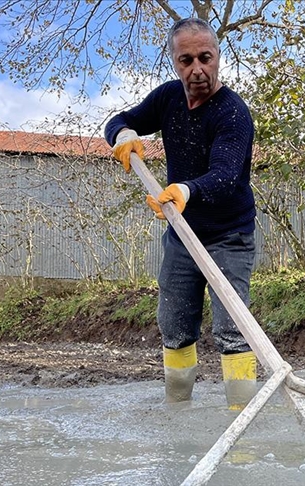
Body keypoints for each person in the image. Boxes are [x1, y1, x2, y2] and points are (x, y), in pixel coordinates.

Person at [105, 17, 257, 410]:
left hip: (229, 238)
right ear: (174, 61)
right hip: (182, 238)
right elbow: (120, 120)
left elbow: (224, 177)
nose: (197, 70)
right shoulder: (169, 98)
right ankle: (177, 418)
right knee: (173, 327)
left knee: (233, 331)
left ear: (218, 57)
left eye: (205, 57)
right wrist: (123, 136)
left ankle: (241, 430)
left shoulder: (233, 114)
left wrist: (185, 190)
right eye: (186, 60)